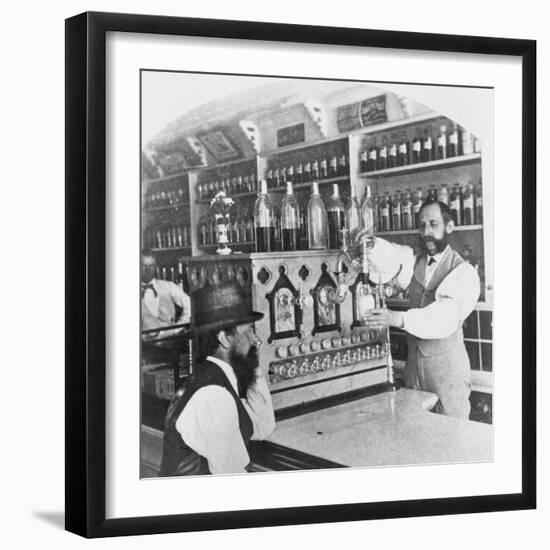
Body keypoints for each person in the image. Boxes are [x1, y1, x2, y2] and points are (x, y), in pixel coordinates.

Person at [358, 199, 480, 419]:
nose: (426, 232)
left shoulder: (464, 272)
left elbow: (444, 317)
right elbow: (392, 259)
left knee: (450, 441)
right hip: (413, 370)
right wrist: (371, 245)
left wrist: (397, 318)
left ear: (449, 226)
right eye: (422, 225)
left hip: (447, 376)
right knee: (414, 436)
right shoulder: (416, 263)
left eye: (433, 224)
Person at [159, 279, 276, 476]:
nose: (256, 340)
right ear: (223, 338)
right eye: (248, 331)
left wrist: (254, 366)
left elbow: (262, 426)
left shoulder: (217, 379)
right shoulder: (212, 394)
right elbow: (232, 477)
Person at [141, 250, 191, 333]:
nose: (147, 270)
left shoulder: (169, 286)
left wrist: (176, 329)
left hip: (169, 342)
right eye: (143, 266)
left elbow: (190, 305)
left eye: (151, 266)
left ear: (156, 267)